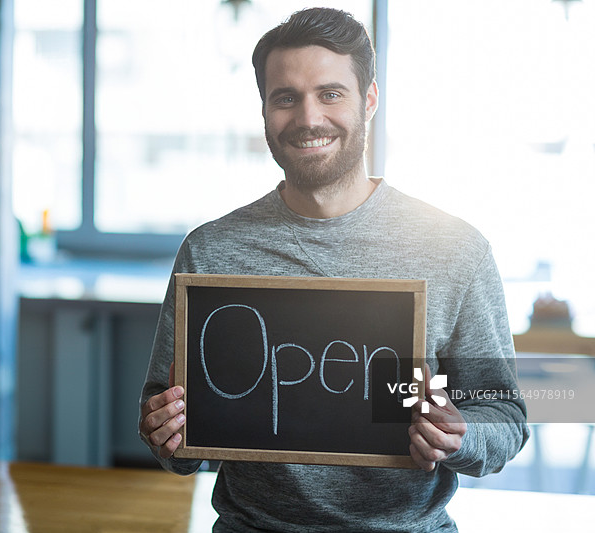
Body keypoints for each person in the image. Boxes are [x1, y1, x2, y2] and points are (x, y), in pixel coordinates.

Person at [139, 7, 529, 532]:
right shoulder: (210, 251)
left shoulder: (454, 250)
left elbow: (504, 416)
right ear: (264, 113)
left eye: (330, 93)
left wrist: (461, 437)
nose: (307, 118)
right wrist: (167, 435)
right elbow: (175, 436)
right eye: (285, 98)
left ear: (368, 100)